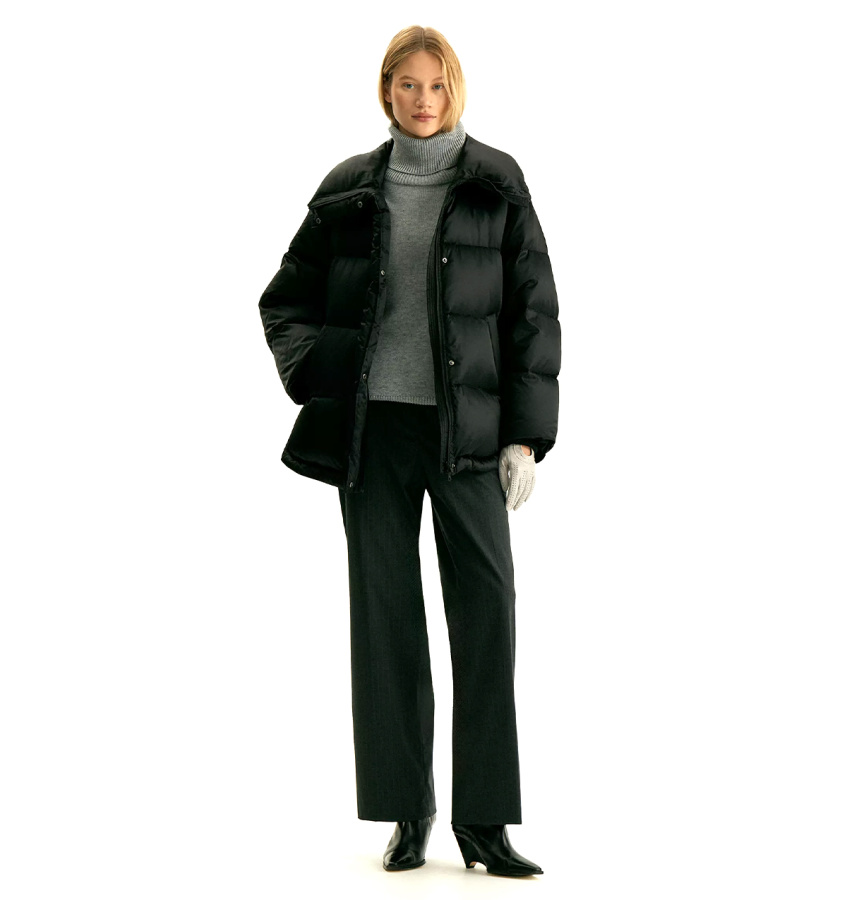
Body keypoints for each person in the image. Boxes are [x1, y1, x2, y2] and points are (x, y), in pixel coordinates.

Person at [258, 25, 560, 877]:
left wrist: (524, 437)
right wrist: (321, 371)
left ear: (453, 89)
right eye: (407, 84)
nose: (422, 100)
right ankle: (406, 812)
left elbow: (533, 313)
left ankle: (484, 823)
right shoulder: (347, 188)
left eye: (435, 85)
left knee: (486, 616)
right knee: (384, 621)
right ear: (386, 90)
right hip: (374, 434)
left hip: (467, 438)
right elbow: (284, 300)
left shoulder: (496, 181)